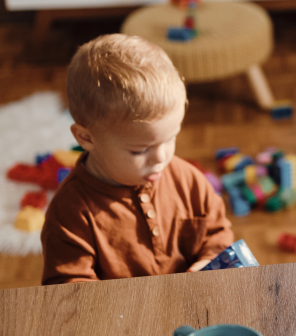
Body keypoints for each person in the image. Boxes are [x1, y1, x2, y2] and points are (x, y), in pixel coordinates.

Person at [41, 34, 233, 284]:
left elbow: (217, 235)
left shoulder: (188, 180)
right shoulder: (70, 214)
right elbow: (68, 290)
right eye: (139, 150)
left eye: (170, 139)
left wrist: (208, 263)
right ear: (86, 138)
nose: (161, 158)